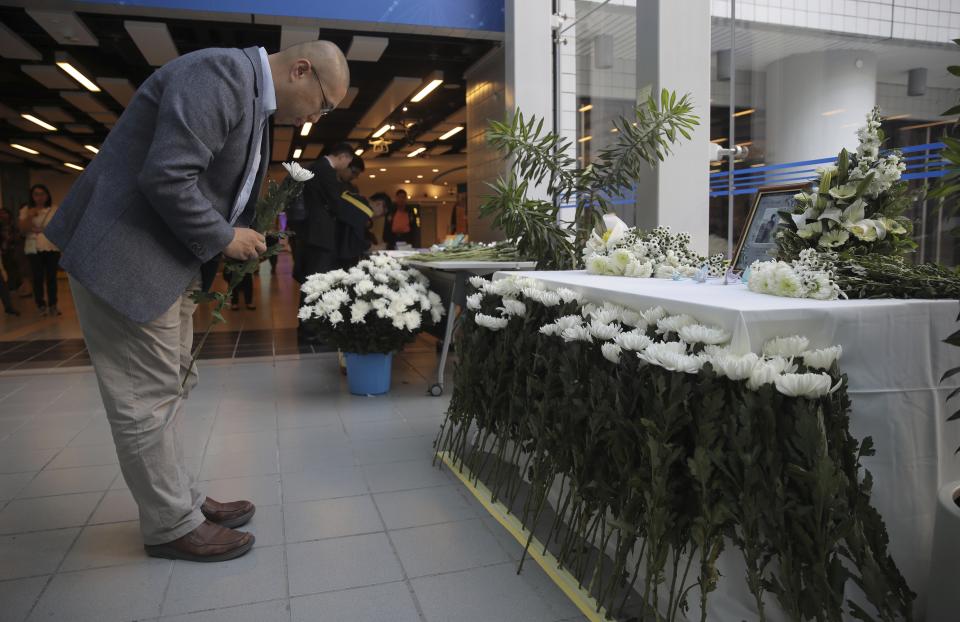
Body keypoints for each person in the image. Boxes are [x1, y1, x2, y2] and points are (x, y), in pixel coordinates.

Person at [44, 41, 349, 563]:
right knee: (146, 398)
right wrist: (224, 236)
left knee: (169, 388)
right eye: (323, 103)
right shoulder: (222, 75)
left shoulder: (249, 94)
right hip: (128, 259)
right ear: (301, 69)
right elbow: (168, 174)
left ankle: (181, 500)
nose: (318, 116)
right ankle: (170, 525)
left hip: (163, 262)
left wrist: (230, 234)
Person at [292, 142, 354, 283]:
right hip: (320, 234)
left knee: (311, 278)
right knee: (318, 279)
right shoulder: (326, 170)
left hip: (310, 231)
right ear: (343, 157)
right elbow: (335, 203)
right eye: (348, 162)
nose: (346, 166)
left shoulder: (315, 166)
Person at [18, 184, 60, 316]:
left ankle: (53, 304)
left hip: (51, 246)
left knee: (51, 276)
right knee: (37, 276)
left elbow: (59, 227)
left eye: (42, 194)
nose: (39, 197)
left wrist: (41, 230)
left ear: (47, 195)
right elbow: (22, 230)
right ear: (32, 196)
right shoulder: (26, 210)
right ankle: (40, 304)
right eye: (36, 194)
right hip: (33, 247)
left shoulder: (54, 209)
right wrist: (30, 216)